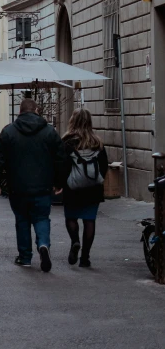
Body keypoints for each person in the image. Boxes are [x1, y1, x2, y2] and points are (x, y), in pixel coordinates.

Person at [0, 98, 66, 272]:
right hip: (43, 186)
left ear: (19, 112)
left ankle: (25, 257)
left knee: (22, 220)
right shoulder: (49, 132)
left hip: (18, 187)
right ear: (37, 111)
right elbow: (61, 158)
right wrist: (59, 182)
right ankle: (43, 244)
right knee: (41, 218)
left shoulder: (8, 132)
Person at [62, 108, 108, 268]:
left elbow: (62, 165)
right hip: (93, 188)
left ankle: (75, 241)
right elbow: (104, 165)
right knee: (89, 220)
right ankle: (85, 258)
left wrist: (61, 183)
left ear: (72, 121)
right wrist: (98, 179)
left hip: (73, 188)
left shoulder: (67, 142)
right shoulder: (97, 143)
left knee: (71, 218)